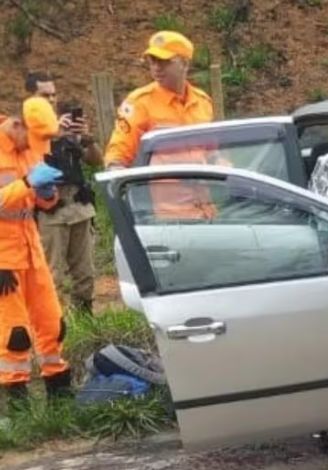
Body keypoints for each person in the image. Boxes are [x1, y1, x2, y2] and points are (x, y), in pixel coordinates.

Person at [0, 97, 71, 409]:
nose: (35, 146)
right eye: (34, 138)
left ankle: (60, 396)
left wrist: (47, 195)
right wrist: (28, 183)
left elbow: (40, 203)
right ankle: (17, 408)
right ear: (17, 125)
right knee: (13, 334)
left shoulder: (29, 149)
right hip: (3, 260)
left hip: (31, 250)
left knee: (53, 324)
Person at [26, 72, 103, 313]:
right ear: (31, 98)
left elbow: (95, 162)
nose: (50, 100)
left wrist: (86, 139)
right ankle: (54, 327)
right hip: (51, 213)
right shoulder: (26, 132)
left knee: (85, 274)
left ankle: (84, 320)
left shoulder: (67, 128)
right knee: (52, 276)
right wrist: (53, 133)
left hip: (79, 208)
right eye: (44, 95)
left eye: (53, 94)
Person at [104, 30, 213, 169]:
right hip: (160, 189)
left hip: (202, 188)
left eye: (164, 62)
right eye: (152, 61)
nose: (156, 68)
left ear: (185, 64)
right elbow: (116, 156)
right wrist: (122, 185)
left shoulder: (203, 102)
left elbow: (212, 153)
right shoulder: (139, 103)